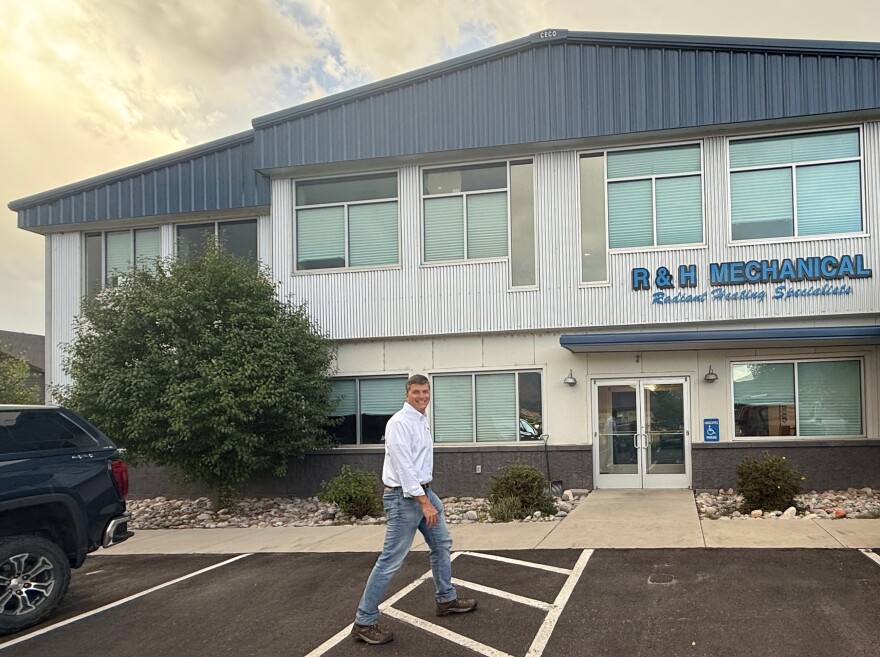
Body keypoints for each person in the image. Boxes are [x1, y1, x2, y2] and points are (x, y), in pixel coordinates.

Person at [352, 374, 477, 645]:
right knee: (390, 561)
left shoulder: (421, 420)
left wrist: (427, 496)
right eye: (417, 392)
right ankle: (364, 621)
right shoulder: (398, 423)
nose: (422, 396)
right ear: (407, 393)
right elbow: (403, 467)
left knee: (442, 544)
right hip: (403, 499)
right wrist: (424, 502)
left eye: (425, 391)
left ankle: (446, 600)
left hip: (423, 492)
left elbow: (418, 465)